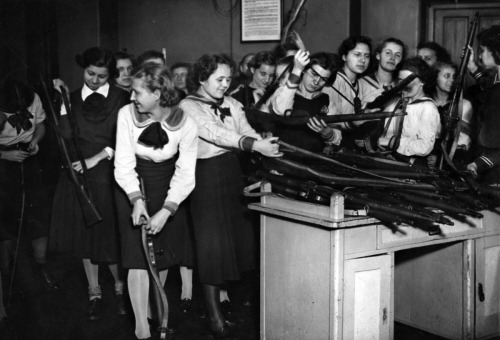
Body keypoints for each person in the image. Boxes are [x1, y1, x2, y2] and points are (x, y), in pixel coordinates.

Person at [179, 53, 282, 337]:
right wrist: (252, 145)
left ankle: (227, 307)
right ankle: (214, 318)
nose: (225, 85)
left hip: (231, 173)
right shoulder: (188, 106)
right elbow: (215, 133)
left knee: (234, 245)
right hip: (205, 178)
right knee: (212, 248)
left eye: (228, 79)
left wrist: (263, 142)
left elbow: (246, 129)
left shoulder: (233, 103)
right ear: (202, 78)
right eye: (219, 79)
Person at [114, 63, 198, 340]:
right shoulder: (126, 114)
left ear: (158, 93)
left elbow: (186, 174)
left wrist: (166, 210)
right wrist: (136, 200)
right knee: (137, 257)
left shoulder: (186, 123)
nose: (132, 97)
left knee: (160, 254)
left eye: (137, 92)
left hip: (169, 186)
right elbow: (123, 162)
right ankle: (141, 328)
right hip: (131, 184)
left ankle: (155, 310)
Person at [49, 47, 129, 321]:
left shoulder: (122, 98)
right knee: (84, 236)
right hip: (78, 174)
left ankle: (120, 290)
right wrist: (63, 101)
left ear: (111, 75)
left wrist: (98, 157)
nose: (94, 80)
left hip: (108, 173)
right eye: (90, 73)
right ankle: (94, 291)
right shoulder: (71, 98)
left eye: (102, 76)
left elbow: (126, 139)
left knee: (108, 236)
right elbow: (66, 134)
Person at [0, 80, 58, 293]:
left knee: (38, 213)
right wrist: (5, 154)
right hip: (3, 161)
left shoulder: (34, 97)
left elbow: (41, 125)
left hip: (29, 160)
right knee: (6, 216)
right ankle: (7, 275)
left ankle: (41, 268)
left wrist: (35, 141)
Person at [373, 57, 441, 166]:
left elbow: (424, 147)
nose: (403, 85)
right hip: (387, 160)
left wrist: (391, 142)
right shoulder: (396, 102)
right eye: (400, 80)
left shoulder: (427, 108)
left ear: (422, 81)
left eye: (408, 81)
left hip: (410, 167)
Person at [271, 50, 341, 152]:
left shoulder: (326, 100)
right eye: (313, 74)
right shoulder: (284, 91)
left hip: (313, 159)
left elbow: (337, 137)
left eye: (323, 79)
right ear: (304, 70)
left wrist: (328, 133)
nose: (316, 81)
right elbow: (282, 110)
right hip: (284, 158)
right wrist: (296, 69)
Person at [466, 27, 500, 184]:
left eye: (483, 50)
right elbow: (490, 88)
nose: (480, 56)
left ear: (496, 51)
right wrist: (472, 67)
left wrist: (478, 164)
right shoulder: (496, 81)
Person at [430, 61, 474, 166]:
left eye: (454, 77)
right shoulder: (427, 103)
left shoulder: (463, 105)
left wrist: (441, 158)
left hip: (454, 160)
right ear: (435, 77)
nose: (451, 80)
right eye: (446, 76)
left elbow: (463, 141)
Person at [360, 37, 406, 102]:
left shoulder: (402, 86)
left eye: (398, 55)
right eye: (388, 53)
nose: (392, 57)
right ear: (378, 55)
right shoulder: (361, 84)